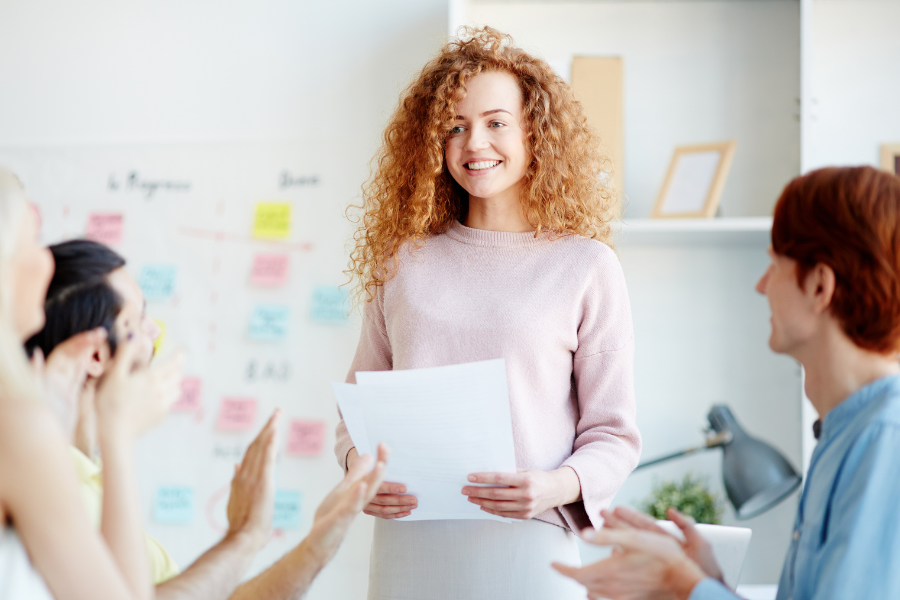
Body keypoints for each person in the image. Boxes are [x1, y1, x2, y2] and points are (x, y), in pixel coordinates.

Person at [335, 26, 642, 599]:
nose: (474, 143)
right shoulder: (403, 262)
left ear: (536, 134)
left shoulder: (586, 266)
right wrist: (359, 470)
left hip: (528, 547)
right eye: (455, 126)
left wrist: (554, 485)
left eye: (496, 122)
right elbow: (357, 413)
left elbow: (614, 434)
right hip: (410, 547)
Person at [553, 166, 900, 600]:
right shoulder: (847, 435)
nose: (761, 285)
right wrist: (708, 583)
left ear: (819, 286)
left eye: (774, 266)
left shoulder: (884, 441)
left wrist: (686, 587)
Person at [28, 237, 392, 600]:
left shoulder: (88, 480)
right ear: (95, 355)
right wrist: (250, 539)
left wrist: (306, 548)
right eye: (137, 320)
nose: (154, 332)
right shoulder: (54, 488)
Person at [0, 165, 182, 600]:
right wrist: (118, 434)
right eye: (29, 240)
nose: (46, 259)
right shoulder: (18, 428)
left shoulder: (31, 424)